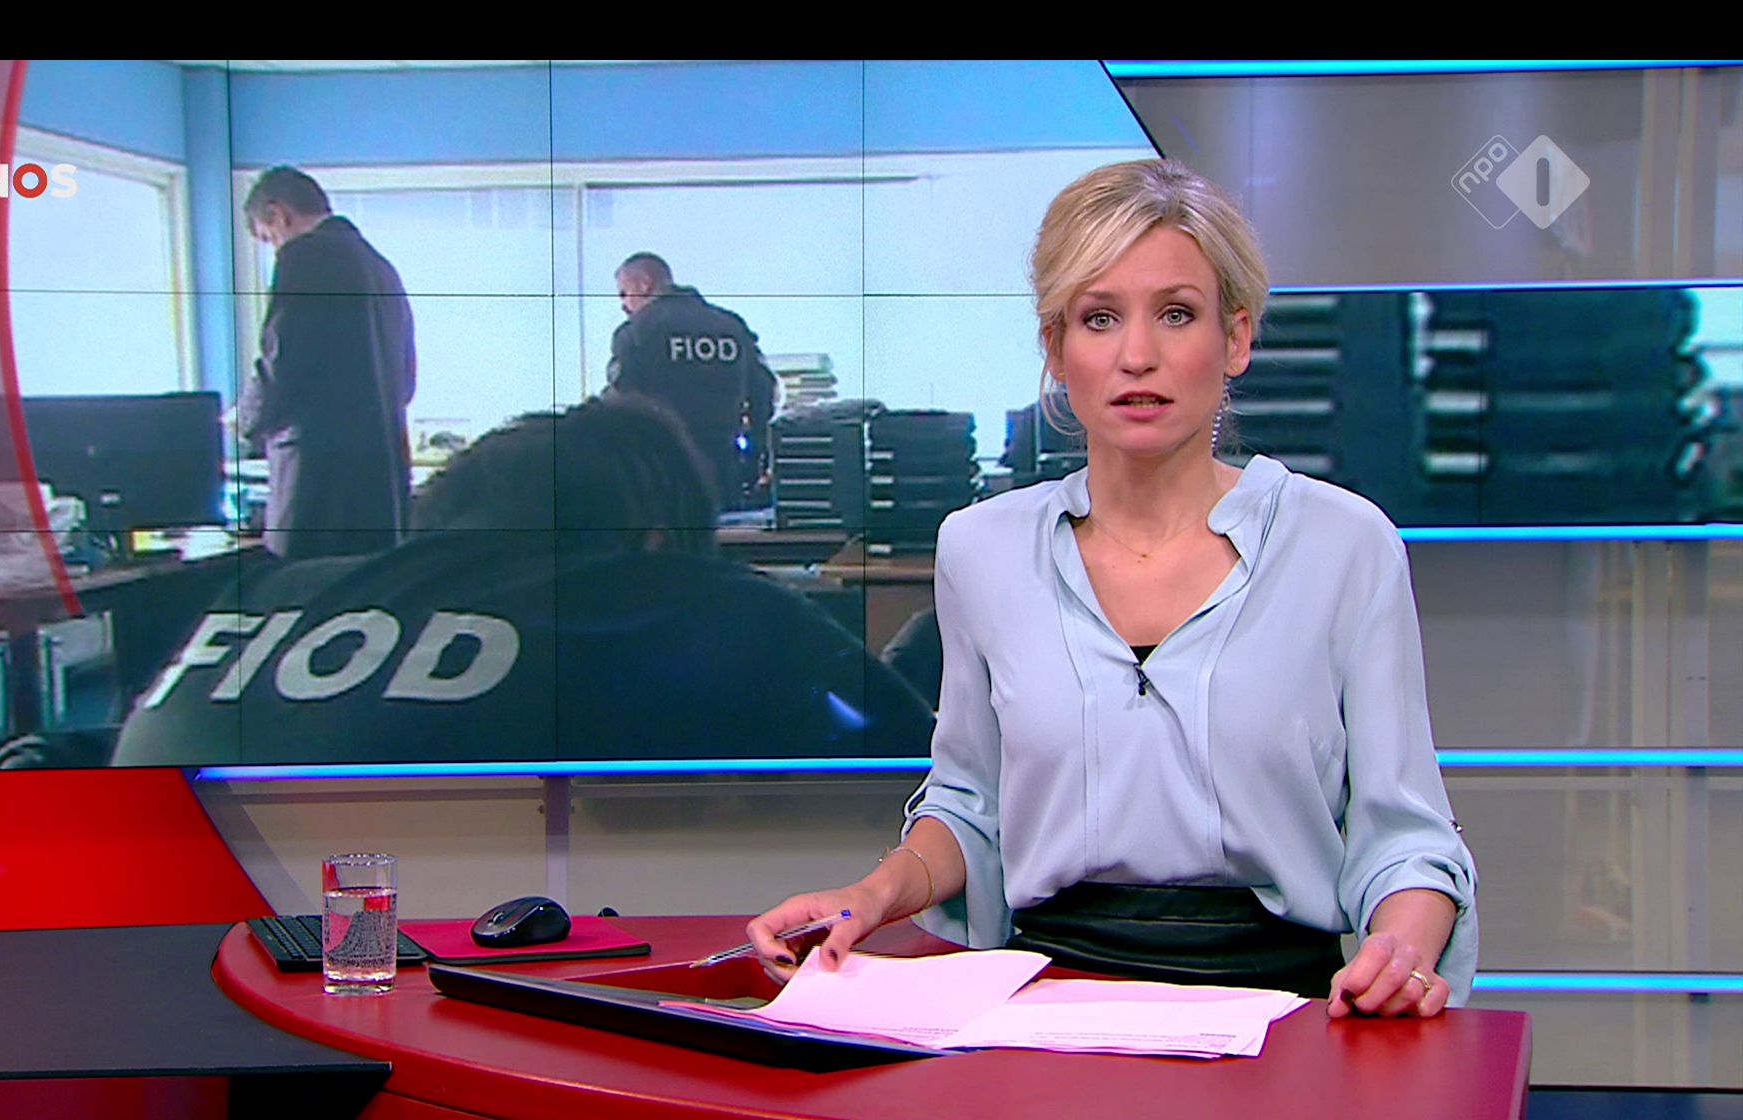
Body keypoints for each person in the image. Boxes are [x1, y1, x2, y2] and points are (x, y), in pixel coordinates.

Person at [749, 159, 1479, 1019]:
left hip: (1275, 1008)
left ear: (1236, 338)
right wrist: (869, 897)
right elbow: (970, 808)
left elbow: (1407, 838)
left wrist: (1401, 951)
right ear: (1057, 350)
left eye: (1177, 314)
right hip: (1041, 1009)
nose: (1138, 356)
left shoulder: (1344, 545)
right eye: (1100, 318)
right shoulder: (981, 549)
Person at [111, 396, 934, 767]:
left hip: (159, 978)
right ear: (656, 541)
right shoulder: (690, 602)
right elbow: (923, 774)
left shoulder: (264, 595)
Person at [238, 166, 416, 559]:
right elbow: (405, 382)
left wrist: (245, 419)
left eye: (268, 238)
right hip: (380, 486)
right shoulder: (382, 268)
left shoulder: (303, 256)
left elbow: (281, 363)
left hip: (316, 486)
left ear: (277, 214)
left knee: (300, 590)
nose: (274, 248)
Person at [603, 253, 777, 511]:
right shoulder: (731, 326)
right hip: (725, 469)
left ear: (644, 284)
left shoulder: (638, 331)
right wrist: (756, 458)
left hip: (663, 474)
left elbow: (620, 403)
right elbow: (763, 392)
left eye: (624, 294)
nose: (624, 306)